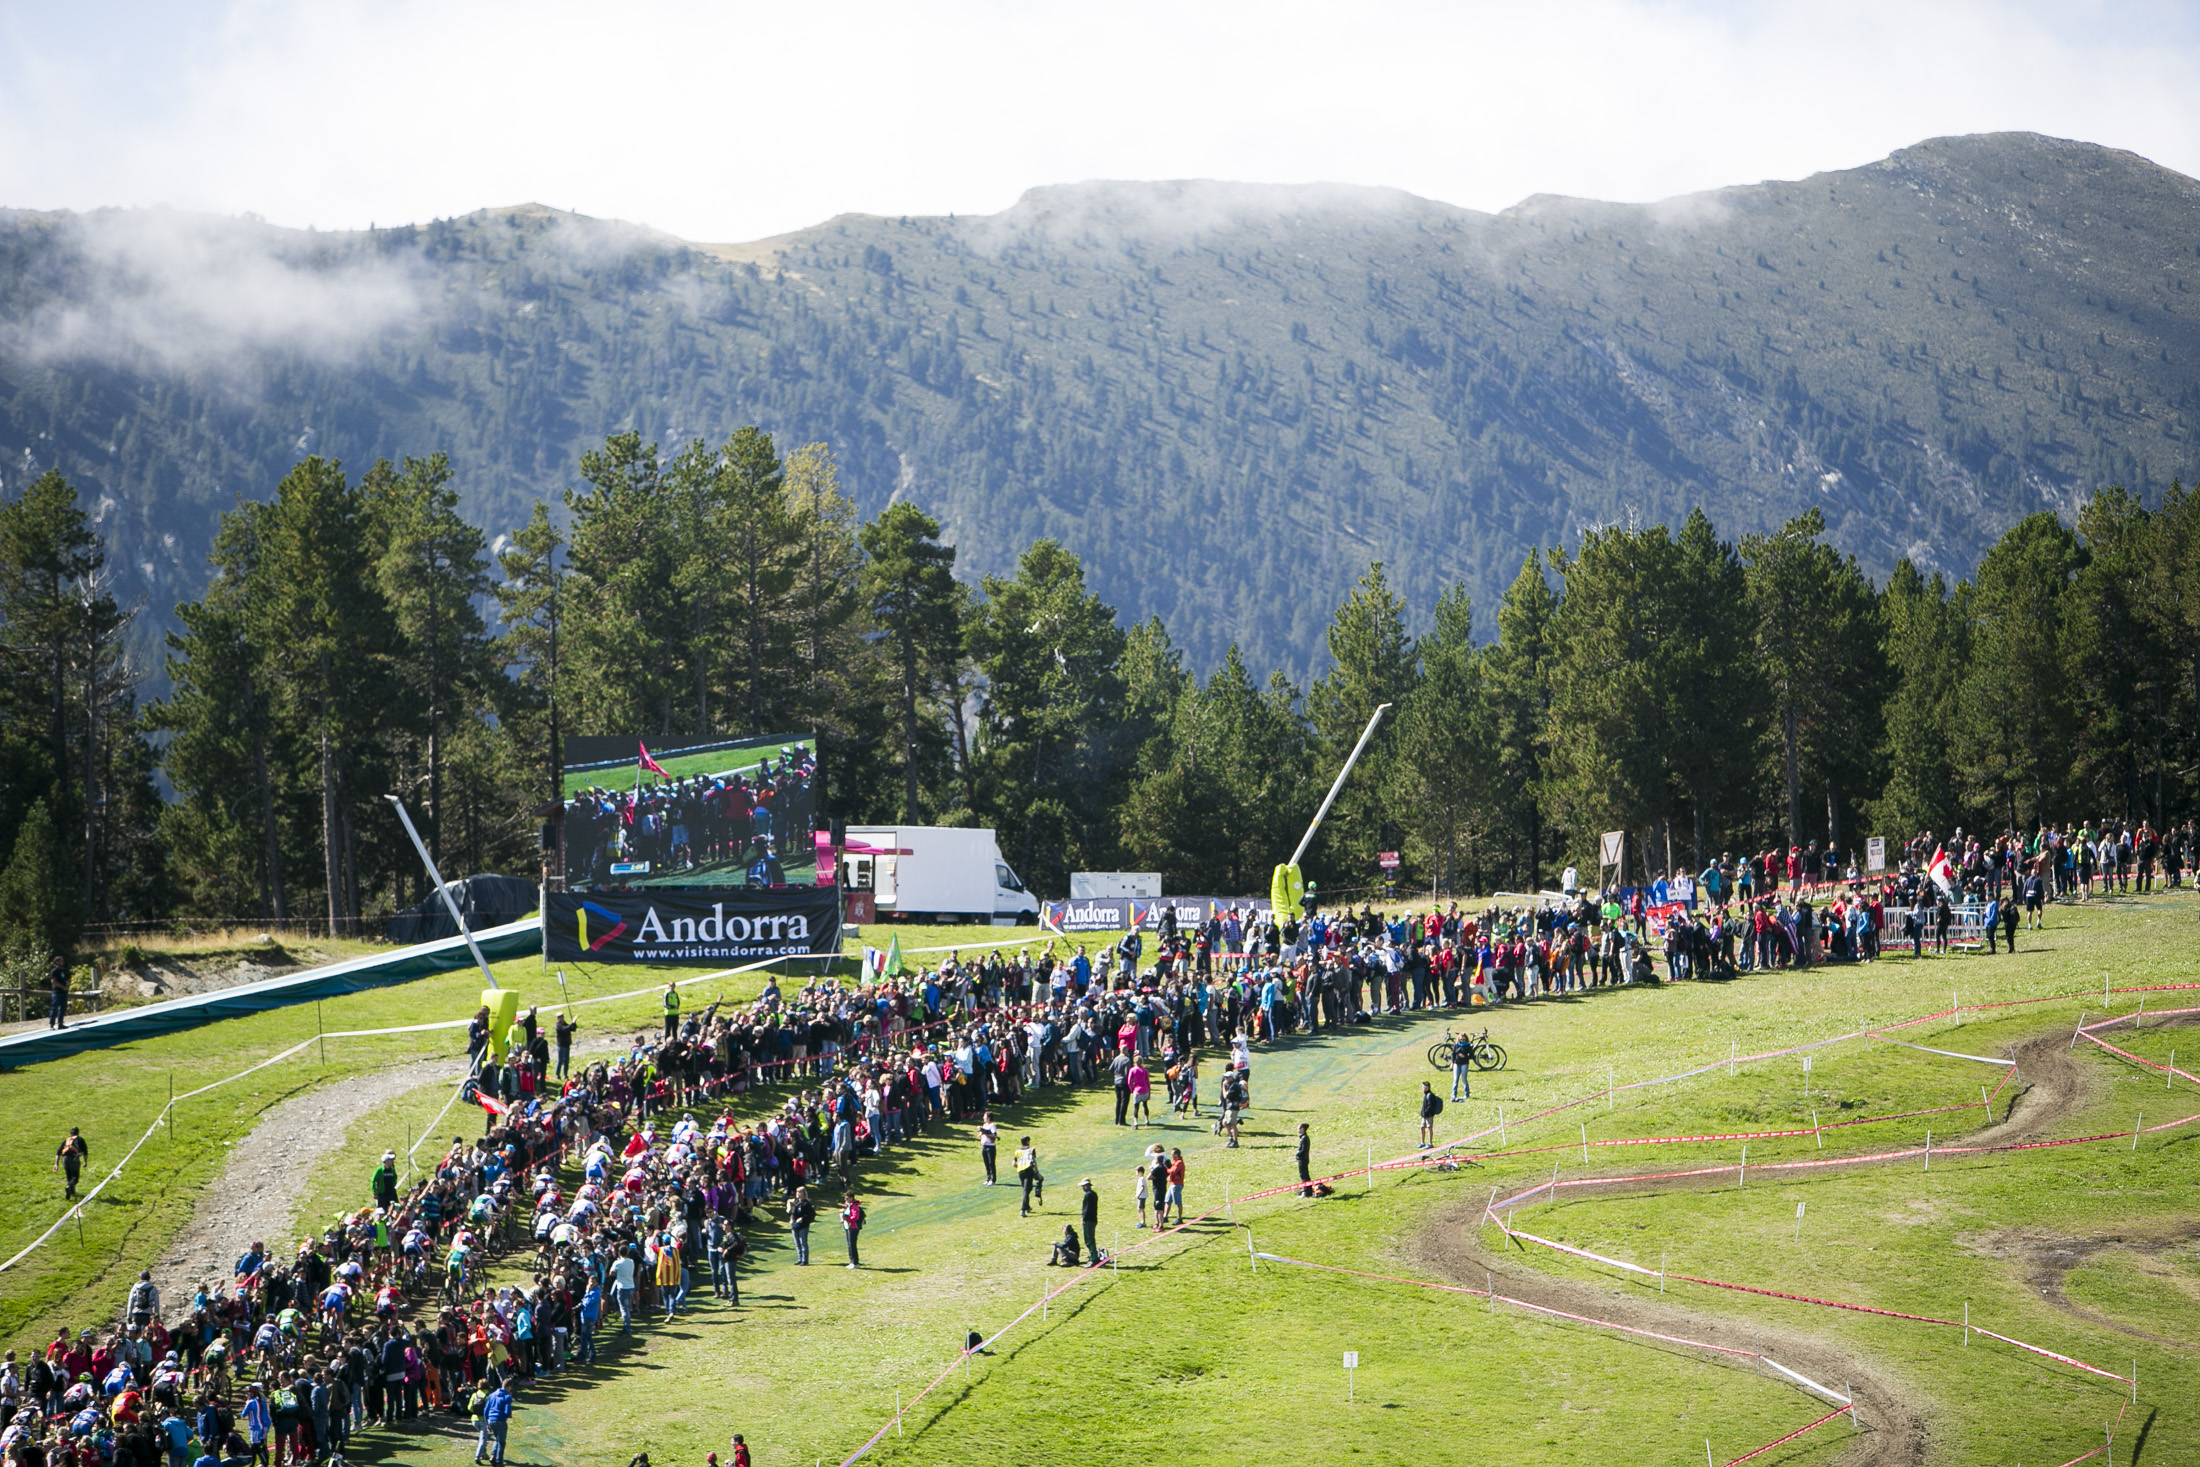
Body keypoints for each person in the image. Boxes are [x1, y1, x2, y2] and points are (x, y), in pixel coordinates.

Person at [475, 1380, 513, 1466]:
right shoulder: (507, 1396)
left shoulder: (492, 1395)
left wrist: (487, 1423)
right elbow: (507, 1411)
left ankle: (493, 1456)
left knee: (497, 1439)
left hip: (491, 1420)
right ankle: (498, 1461)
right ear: (509, 1387)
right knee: (501, 1442)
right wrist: (508, 1416)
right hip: (500, 1420)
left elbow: (485, 1410)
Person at [1014, 1137, 1043, 1217]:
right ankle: (1023, 1209)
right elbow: (1033, 1161)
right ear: (1027, 1141)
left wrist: (1019, 1167)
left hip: (1020, 1172)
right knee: (1026, 1190)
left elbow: (1013, 1163)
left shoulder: (1017, 1151)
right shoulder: (1031, 1150)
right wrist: (1037, 1173)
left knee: (1026, 1189)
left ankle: (1027, 1207)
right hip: (1028, 1170)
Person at [788, 1187, 815, 1266]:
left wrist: (803, 1218)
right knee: (797, 1243)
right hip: (794, 1225)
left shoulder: (806, 1203)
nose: (798, 1193)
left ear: (803, 1193)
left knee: (803, 1243)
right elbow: (791, 1212)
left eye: (799, 1192)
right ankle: (799, 1259)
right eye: (797, 1192)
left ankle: (805, 1260)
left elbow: (811, 1214)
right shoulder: (795, 1202)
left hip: (803, 1226)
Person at [1162, 1148, 1186, 1226]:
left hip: (1177, 1184)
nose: (1171, 1156)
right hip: (1172, 1184)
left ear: (1176, 1154)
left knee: (1178, 1202)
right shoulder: (1175, 1162)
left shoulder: (1179, 1163)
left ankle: (1179, 1218)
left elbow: (1173, 1171)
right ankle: (1165, 1216)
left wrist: (1166, 1168)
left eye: (1172, 1154)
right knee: (1167, 1201)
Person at [1079, 1178, 1100, 1262]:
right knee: (1091, 1239)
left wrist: (1084, 1218)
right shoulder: (1094, 1194)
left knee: (1089, 1240)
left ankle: (1094, 1258)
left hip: (1089, 1220)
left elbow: (1087, 1209)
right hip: (1093, 1219)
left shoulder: (1088, 1195)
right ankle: (1093, 1255)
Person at [842, 1194, 865, 1269]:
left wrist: (847, 1219)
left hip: (853, 1227)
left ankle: (855, 1262)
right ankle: (852, 1261)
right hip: (848, 1227)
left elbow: (855, 1217)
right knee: (849, 1245)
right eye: (845, 1198)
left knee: (852, 1245)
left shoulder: (854, 1206)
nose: (845, 1200)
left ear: (851, 1198)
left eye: (847, 1198)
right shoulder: (848, 1205)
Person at [1418, 1080, 1443, 1149]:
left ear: (1428, 1088)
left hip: (1429, 1115)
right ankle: (1422, 1142)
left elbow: (1430, 1106)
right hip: (1424, 1115)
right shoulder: (1426, 1095)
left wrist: (1426, 1113)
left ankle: (1430, 1143)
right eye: (1422, 1087)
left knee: (1429, 1128)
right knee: (1422, 1127)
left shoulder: (1430, 1095)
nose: (1423, 1089)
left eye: (1425, 1087)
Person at [1295, 1122, 1314, 1198]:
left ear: (1302, 1129)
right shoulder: (1304, 1137)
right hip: (1304, 1159)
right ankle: (1307, 1190)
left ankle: (1307, 1191)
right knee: (1304, 1175)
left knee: (1304, 1175)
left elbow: (1303, 1150)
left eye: (1298, 1128)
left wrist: (1298, 1155)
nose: (1297, 1130)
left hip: (1303, 1159)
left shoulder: (1304, 1138)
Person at [978, 1113, 999, 1186]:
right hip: (984, 1146)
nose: (983, 1118)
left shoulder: (992, 1125)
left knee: (991, 1163)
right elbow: (981, 1134)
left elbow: (994, 1135)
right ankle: (988, 1178)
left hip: (990, 1147)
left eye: (985, 1117)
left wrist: (985, 1132)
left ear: (989, 1118)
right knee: (986, 1163)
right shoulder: (984, 1125)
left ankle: (993, 1179)